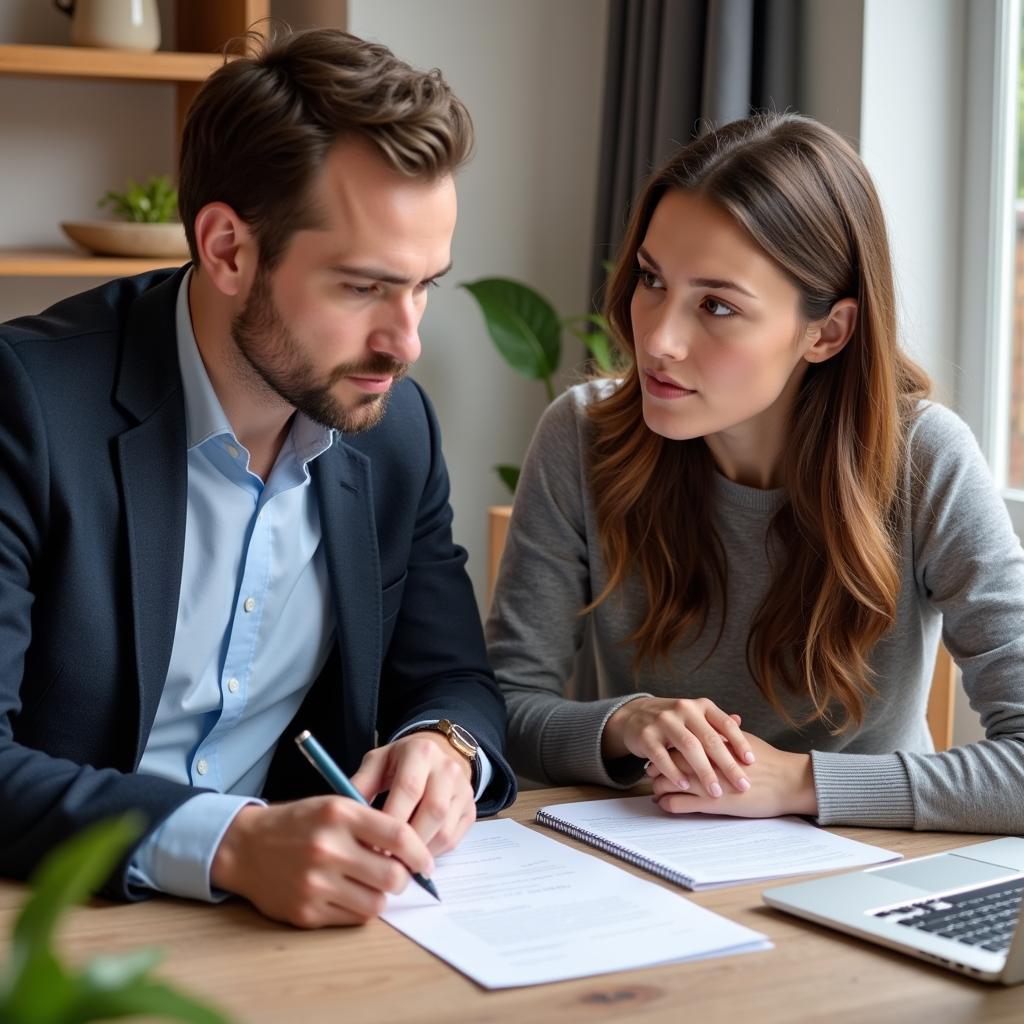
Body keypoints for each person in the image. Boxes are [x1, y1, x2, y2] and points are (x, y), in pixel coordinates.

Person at [0, 27, 516, 928]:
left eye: (425, 284)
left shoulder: (394, 429)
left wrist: (443, 744)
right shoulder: (27, 406)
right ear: (229, 249)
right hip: (58, 925)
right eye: (363, 289)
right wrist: (230, 842)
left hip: (287, 938)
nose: (407, 341)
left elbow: (454, 678)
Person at [488, 112, 1024, 833]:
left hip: (870, 874)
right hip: (657, 866)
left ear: (826, 332)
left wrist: (799, 782)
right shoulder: (583, 438)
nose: (659, 338)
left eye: (716, 305)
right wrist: (627, 725)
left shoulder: (926, 462)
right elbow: (500, 710)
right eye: (651, 279)